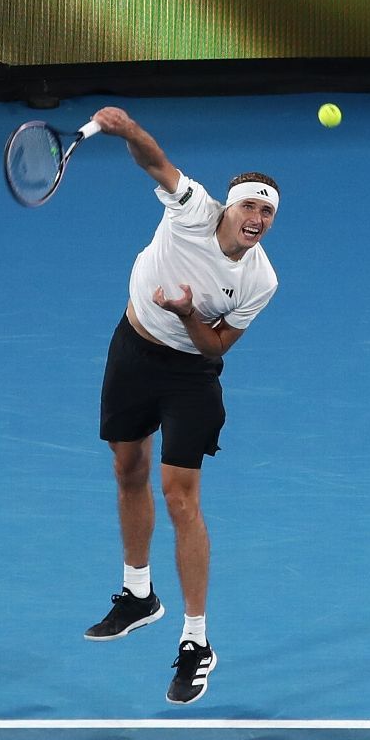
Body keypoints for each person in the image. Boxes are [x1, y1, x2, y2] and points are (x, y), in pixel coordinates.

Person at [81, 106, 280, 704]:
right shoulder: (193, 208)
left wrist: (188, 312)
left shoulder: (259, 281)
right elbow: (156, 163)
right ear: (228, 205)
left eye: (268, 211)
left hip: (191, 374)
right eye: (249, 205)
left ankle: (196, 642)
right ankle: (138, 594)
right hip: (133, 350)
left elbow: (216, 345)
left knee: (179, 495)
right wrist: (129, 131)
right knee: (126, 469)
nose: (257, 218)